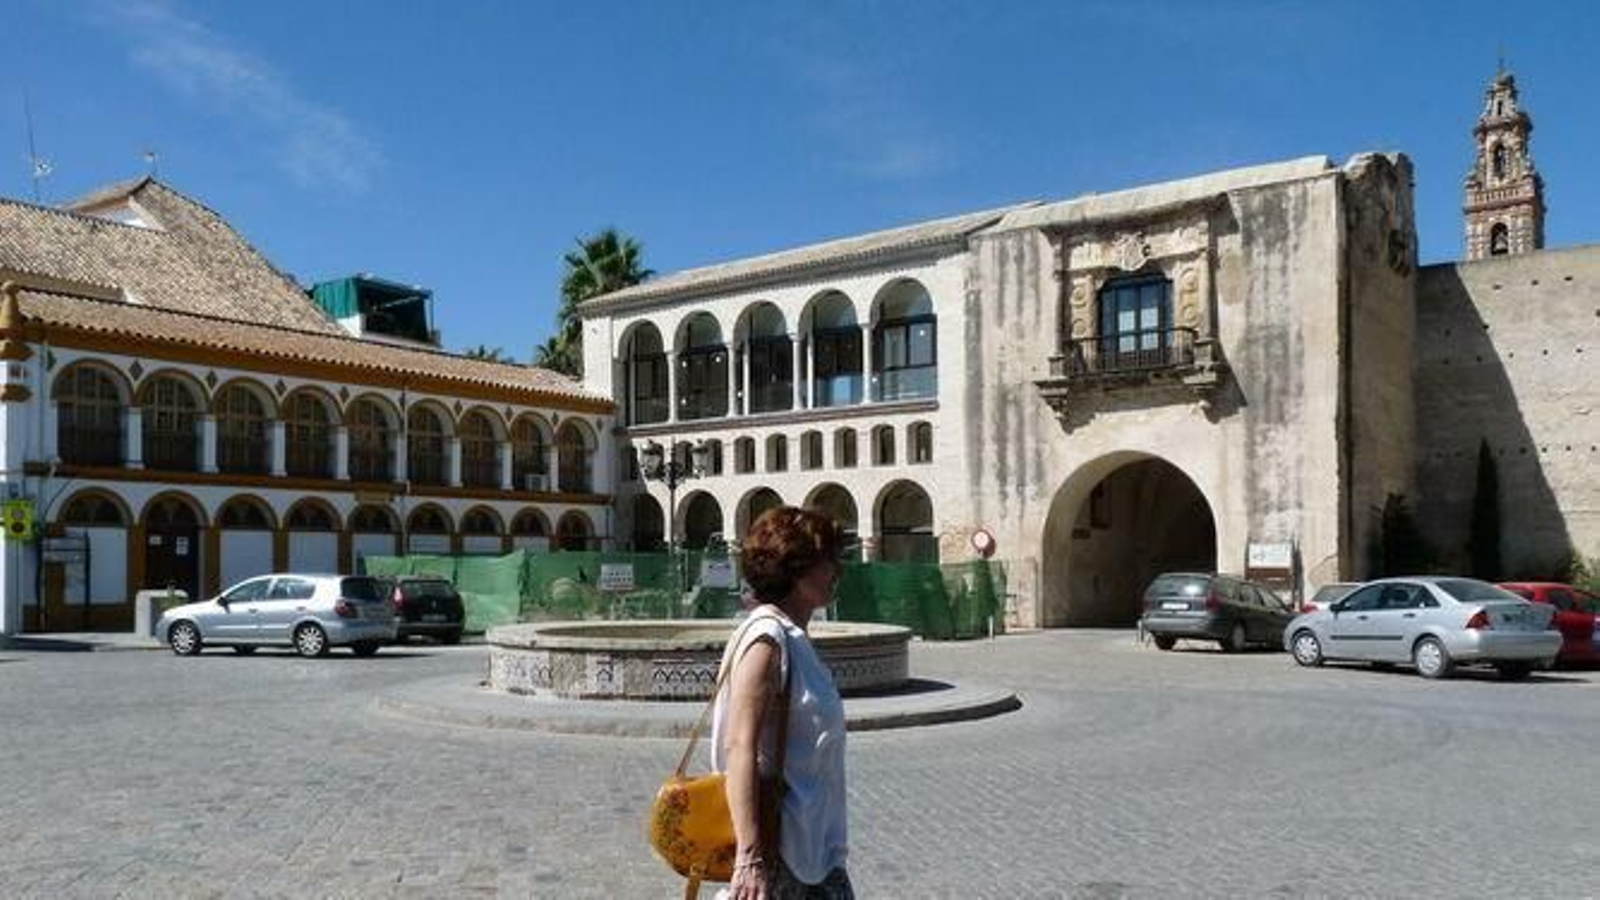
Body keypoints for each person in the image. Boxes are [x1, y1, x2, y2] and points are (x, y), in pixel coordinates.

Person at [711, 507, 853, 899]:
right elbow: (740, 746)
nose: (836, 571)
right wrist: (750, 857)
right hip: (783, 854)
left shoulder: (792, 637)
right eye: (828, 562)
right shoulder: (767, 639)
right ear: (796, 570)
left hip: (814, 850)